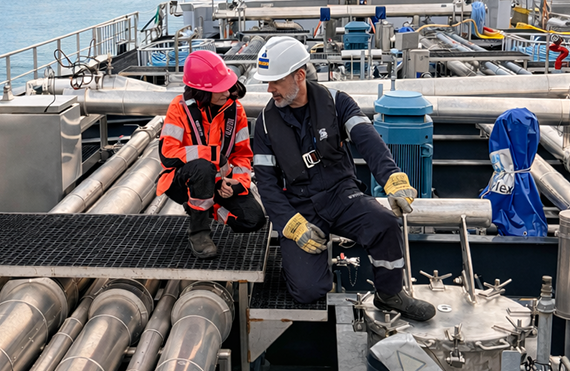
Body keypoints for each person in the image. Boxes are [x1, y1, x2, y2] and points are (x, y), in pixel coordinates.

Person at [250, 36, 436, 322]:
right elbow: (267, 184)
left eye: (276, 80)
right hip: (301, 208)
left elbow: (368, 140)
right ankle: (308, 268)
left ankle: (389, 294)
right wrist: (291, 225)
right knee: (308, 290)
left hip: (342, 195)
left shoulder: (336, 103)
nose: (269, 88)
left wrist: (392, 177)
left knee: (385, 224)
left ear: (299, 76)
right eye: (267, 81)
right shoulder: (265, 125)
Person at [158, 50, 267, 258]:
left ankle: (207, 208)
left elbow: (242, 155)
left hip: (219, 182)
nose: (226, 93)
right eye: (219, 89)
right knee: (202, 167)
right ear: (202, 91)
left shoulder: (236, 111)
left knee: (253, 220)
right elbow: (168, 155)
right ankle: (199, 233)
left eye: (227, 86)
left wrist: (238, 184)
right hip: (181, 181)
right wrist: (214, 154)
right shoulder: (179, 108)